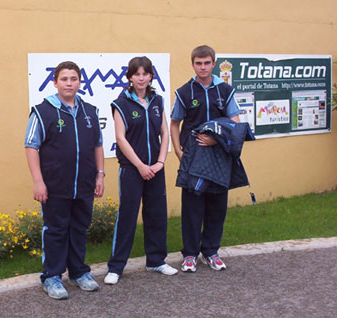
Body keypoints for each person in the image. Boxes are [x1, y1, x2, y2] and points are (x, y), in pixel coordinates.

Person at [24, 61, 105, 299]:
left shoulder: (90, 111)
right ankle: (51, 276)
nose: (69, 83)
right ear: (55, 82)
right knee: (56, 231)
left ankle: (79, 272)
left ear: (80, 82)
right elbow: (31, 146)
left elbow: (98, 145)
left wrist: (100, 175)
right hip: (55, 185)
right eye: (64, 79)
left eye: (73, 79)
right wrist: (38, 181)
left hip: (84, 184)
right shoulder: (43, 111)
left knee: (79, 229)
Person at [104, 56, 177, 285]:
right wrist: (140, 166)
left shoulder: (157, 101)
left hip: (155, 168)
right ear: (130, 77)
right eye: (137, 74)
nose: (141, 78)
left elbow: (164, 133)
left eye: (145, 73)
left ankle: (156, 260)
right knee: (127, 216)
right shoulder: (121, 103)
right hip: (132, 169)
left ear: (151, 76)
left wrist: (160, 162)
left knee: (156, 215)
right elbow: (120, 138)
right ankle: (116, 267)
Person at [170, 45, 241, 273]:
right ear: (193, 65)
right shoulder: (184, 92)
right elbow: (174, 123)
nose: (202, 67)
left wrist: (218, 141)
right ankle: (190, 254)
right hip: (193, 158)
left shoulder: (225, 90)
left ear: (214, 64)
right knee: (192, 206)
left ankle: (210, 251)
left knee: (217, 206)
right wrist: (179, 151)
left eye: (207, 62)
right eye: (198, 63)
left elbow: (236, 122)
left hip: (219, 157)